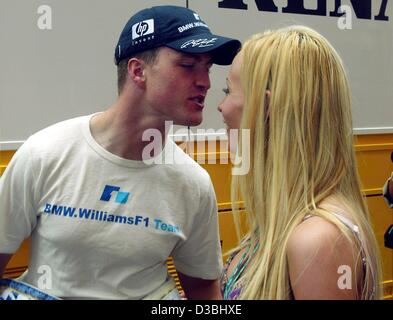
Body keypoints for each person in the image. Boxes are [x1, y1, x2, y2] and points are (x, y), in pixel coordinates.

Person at [0, 5, 241, 299]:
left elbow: (203, 289)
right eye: (188, 65)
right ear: (138, 71)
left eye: (207, 68)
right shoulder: (45, 153)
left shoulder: (193, 184)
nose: (205, 81)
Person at [218, 26, 382, 299]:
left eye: (228, 90)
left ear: (266, 108)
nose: (221, 106)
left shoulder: (317, 239)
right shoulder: (293, 218)